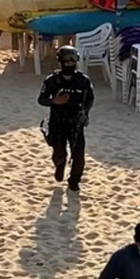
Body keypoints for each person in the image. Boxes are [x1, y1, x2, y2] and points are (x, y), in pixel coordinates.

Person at [37, 46, 95, 192]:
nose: (70, 63)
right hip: (57, 122)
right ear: (61, 61)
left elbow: (90, 98)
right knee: (59, 154)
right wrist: (53, 101)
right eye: (67, 60)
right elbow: (41, 99)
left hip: (76, 122)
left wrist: (85, 112)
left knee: (79, 157)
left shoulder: (83, 81)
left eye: (73, 60)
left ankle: (74, 181)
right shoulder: (52, 80)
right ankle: (60, 166)